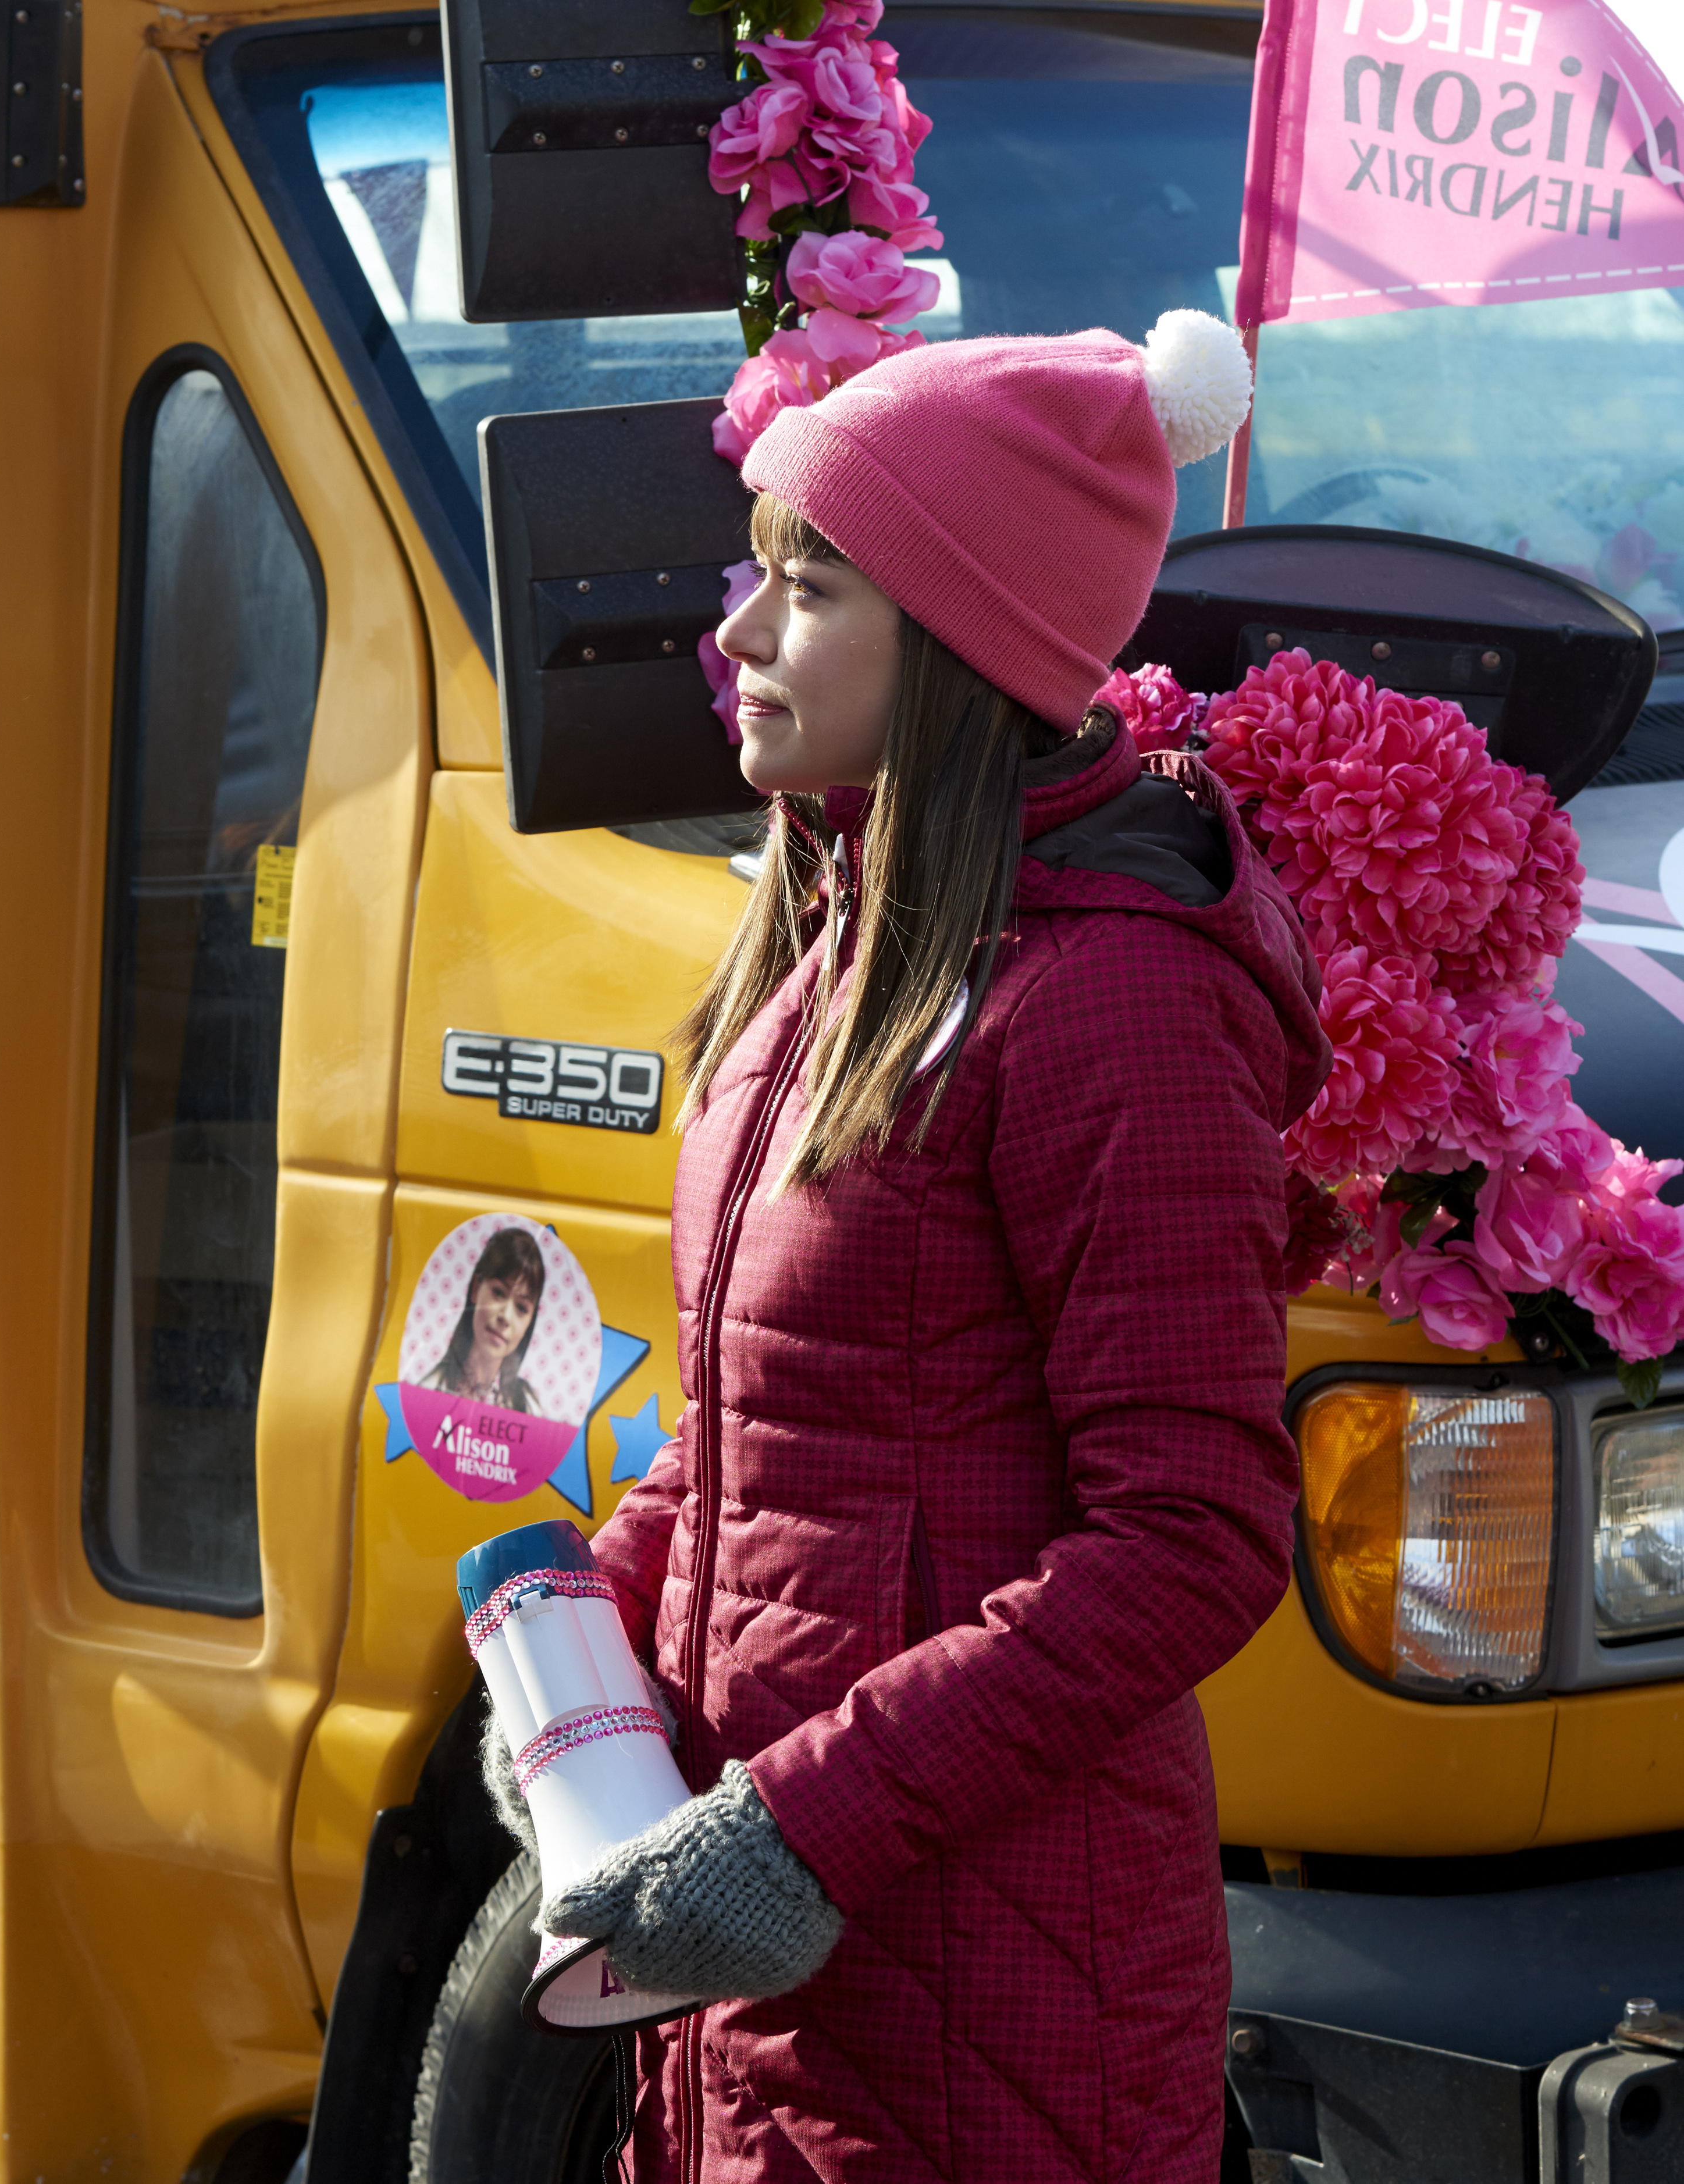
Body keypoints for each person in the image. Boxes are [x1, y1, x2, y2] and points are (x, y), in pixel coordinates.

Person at [505, 319, 1326, 2182]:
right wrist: (584, 1674)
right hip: (777, 1983)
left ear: (960, 643)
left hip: (982, 2000)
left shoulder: (1111, 997)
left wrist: (799, 1831)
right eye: (755, 570)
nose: (735, 633)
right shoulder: (843, 938)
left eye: (811, 586)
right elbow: (769, 1447)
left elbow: (1191, 1539)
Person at [422, 1227, 548, 1416]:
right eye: (498, 1293)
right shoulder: (427, 1389)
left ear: (529, 1323)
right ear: (476, 1289)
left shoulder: (530, 1408)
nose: (506, 1317)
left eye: (521, 1308)